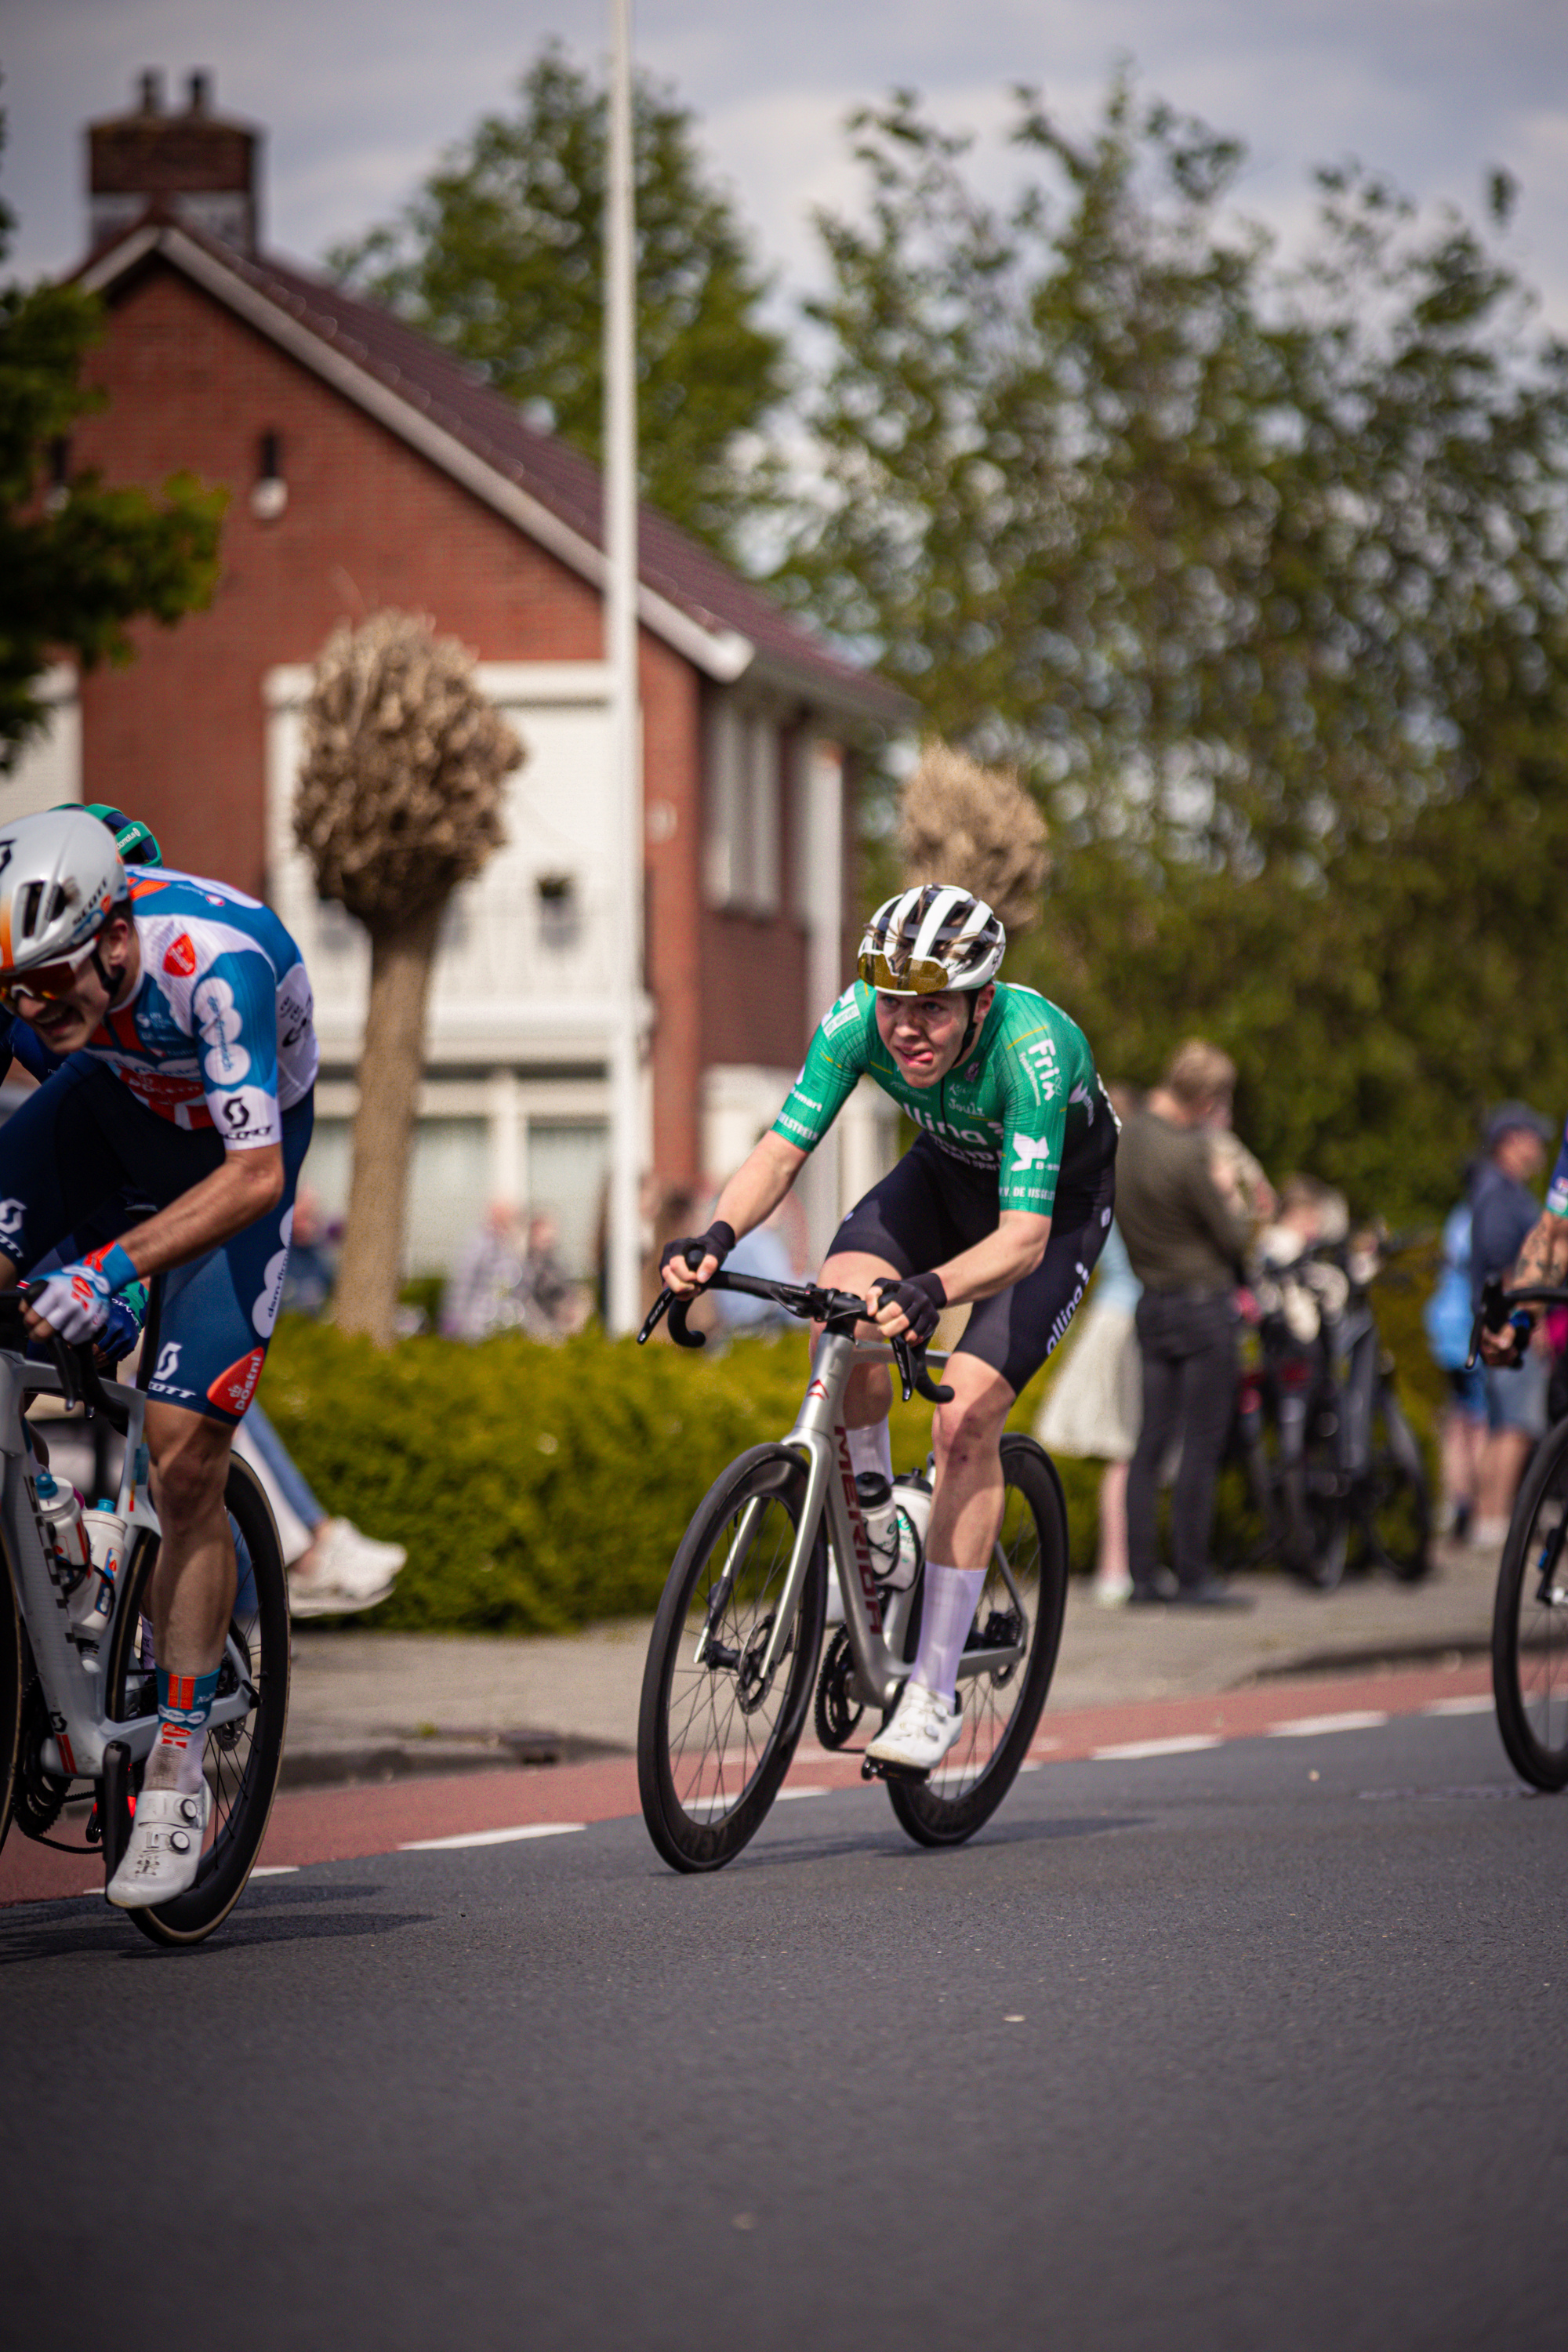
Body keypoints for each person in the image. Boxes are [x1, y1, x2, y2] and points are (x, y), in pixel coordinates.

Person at [660, 882, 1117, 1775]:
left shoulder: (1031, 1052)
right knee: (837, 1319)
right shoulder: (856, 1018)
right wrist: (716, 1238)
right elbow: (781, 1148)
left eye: (933, 1010)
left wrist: (928, 1290)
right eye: (895, 1003)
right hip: (942, 1179)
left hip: (1050, 1214)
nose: (906, 1027)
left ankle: (934, 1690)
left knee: (964, 1417)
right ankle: (874, 1539)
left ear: (980, 1002)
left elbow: (1021, 1241)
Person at [0, 805, 318, 1906]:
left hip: (234, 1162)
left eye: (51, 986)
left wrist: (107, 1270)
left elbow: (253, 1181)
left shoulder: (213, 967)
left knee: (181, 1458)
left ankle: (179, 1761)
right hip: (116, 1112)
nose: (32, 1010)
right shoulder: (40, 983)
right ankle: (50, 1533)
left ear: (116, 941)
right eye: (16, 993)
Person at [1116, 1040, 1253, 1606]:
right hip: (1202, 1306)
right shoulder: (1191, 1153)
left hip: (1151, 1303)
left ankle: (1143, 1575)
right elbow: (1233, 1237)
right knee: (1200, 1443)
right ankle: (1194, 1573)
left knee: (1149, 1443)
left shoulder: (1128, 1141)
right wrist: (1231, 1193)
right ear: (1204, 1097)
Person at [1468, 1102, 1555, 1544]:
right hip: (1510, 1318)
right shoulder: (1501, 1195)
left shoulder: (1496, 1190)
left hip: (1499, 1317)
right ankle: (1497, 1521)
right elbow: (1507, 1264)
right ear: (1510, 1141)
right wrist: (1527, 1324)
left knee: (1503, 1423)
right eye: (1532, 1137)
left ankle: (1489, 1519)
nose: (1540, 1146)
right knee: (1515, 1427)